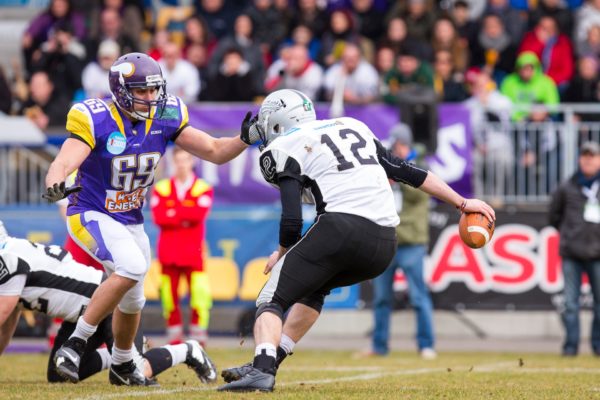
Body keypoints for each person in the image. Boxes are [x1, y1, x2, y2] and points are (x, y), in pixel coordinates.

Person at [217, 89, 495, 392]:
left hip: (341, 228)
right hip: (384, 242)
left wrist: (282, 252)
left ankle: (262, 370)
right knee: (315, 290)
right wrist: (462, 202)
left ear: (276, 122)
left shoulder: (285, 145)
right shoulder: (352, 126)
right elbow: (409, 172)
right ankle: (268, 361)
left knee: (271, 299)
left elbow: (293, 219)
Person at [42, 52, 254, 386]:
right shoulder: (96, 117)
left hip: (129, 219)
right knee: (132, 266)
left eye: (154, 90)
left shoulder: (166, 116)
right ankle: (75, 343)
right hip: (91, 212)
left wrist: (246, 138)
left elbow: (214, 150)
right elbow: (64, 161)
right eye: (141, 91)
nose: (150, 97)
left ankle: (123, 362)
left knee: (134, 298)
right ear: (121, 89)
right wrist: (55, 180)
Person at [0, 225, 217, 385]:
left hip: (107, 301)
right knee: (58, 373)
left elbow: (3, 312)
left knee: (133, 373)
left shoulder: (8, 259)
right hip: (80, 313)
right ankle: (127, 353)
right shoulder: (12, 252)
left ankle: (188, 350)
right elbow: (8, 320)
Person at [367, 123, 436, 359]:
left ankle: (426, 345)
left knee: (418, 296)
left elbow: (419, 193)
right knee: (381, 298)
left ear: (404, 144)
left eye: (397, 146)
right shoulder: (390, 167)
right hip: (388, 239)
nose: (394, 150)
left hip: (412, 242)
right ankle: (379, 346)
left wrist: (398, 175)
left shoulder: (422, 166)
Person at [150, 146, 214, 346]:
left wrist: (173, 213)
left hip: (193, 253)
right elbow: (159, 218)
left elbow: (198, 215)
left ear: (192, 162)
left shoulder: (203, 188)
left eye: (185, 160)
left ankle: (198, 338)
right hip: (168, 253)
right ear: (172, 162)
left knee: (199, 295)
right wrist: (184, 214)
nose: (181, 164)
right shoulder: (161, 188)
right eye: (178, 160)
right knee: (169, 297)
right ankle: (175, 338)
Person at [549, 141, 600, 356]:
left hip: (598, 253)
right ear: (580, 158)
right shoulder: (566, 186)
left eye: (593, 156)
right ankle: (570, 347)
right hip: (571, 253)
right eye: (585, 155)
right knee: (570, 304)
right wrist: (569, 235)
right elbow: (554, 216)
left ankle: (598, 346)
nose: (588, 159)